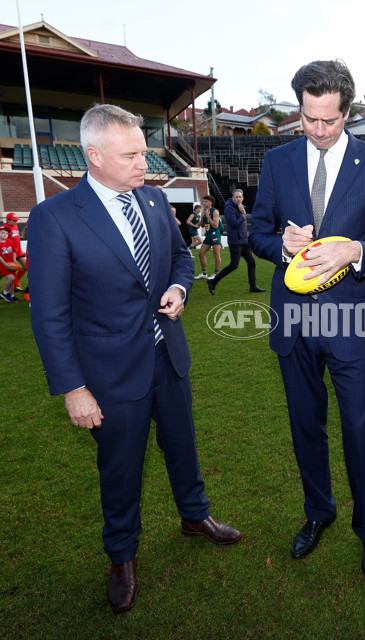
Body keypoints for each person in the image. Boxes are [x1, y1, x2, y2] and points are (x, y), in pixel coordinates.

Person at [28, 103, 242, 614]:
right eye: (132, 155)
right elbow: (50, 315)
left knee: (183, 447)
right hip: (108, 375)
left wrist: (177, 287)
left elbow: (181, 259)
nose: (145, 164)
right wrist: (74, 389)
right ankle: (121, 556)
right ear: (94, 155)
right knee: (121, 470)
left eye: (145, 152)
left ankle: (195, 515)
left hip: (168, 357)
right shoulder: (54, 217)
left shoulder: (151, 203)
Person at [249, 60, 365, 587]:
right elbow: (257, 234)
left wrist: (352, 250)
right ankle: (319, 510)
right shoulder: (277, 161)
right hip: (292, 318)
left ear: (348, 113)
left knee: (358, 428)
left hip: (352, 317)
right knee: (304, 425)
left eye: (329, 121)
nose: (317, 131)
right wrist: (280, 246)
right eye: (309, 119)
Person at [207, 188, 265, 294]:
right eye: (236, 197)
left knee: (251, 262)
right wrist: (243, 215)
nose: (238, 198)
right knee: (234, 265)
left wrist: (242, 212)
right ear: (232, 198)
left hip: (244, 240)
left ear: (242, 198)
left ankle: (253, 286)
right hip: (235, 241)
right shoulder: (229, 209)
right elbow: (234, 224)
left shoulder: (241, 207)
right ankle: (213, 281)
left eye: (240, 197)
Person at [197, 195, 222, 279]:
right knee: (201, 254)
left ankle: (216, 273)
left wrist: (208, 216)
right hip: (208, 235)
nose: (204, 203)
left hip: (215, 234)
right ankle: (204, 274)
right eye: (203, 201)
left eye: (206, 201)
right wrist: (202, 219)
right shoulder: (204, 211)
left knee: (216, 254)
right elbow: (203, 226)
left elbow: (215, 225)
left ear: (211, 202)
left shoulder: (215, 211)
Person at [4, 212, 27, 290]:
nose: (15, 222)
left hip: (19, 251)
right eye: (14, 220)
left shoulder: (15, 226)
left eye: (16, 220)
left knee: (26, 266)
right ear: (7, 220)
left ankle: (16, 282)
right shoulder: (4, 229)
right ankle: (13, 286)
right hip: (10, 253)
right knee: (6, 272)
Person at [0, 224, 20, 302]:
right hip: (2, 264)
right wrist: (5, 265)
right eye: (2, 233)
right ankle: (4, 293)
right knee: (11, 278)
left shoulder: (9, 241)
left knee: (12, 280)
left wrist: (14, 261)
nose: (5, 235)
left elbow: (14, 251)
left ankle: (11, 296)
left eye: (6, 233)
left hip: (11, 264)